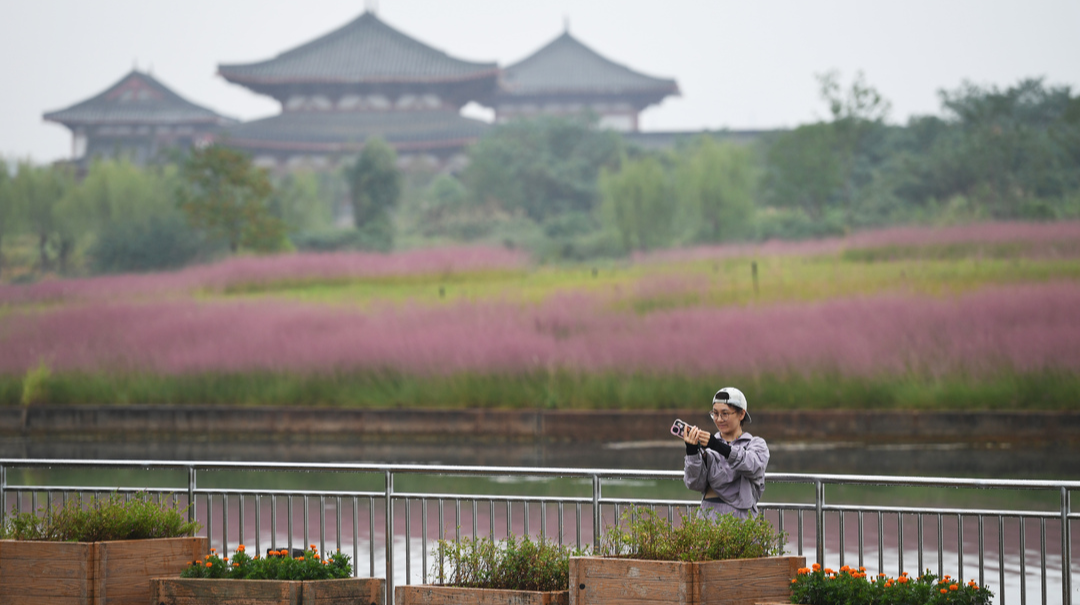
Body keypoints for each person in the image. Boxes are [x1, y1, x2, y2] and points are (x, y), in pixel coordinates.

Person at [681, 387, 770, 520]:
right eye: (715, 414)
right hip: (708, 518)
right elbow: (694, 483)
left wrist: (718, 447)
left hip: (740, 520)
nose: (719, 419)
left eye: (725, 413)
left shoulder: (755, 444)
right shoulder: (709, 447)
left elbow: (752, 466)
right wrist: (692, 450)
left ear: (741, 414)